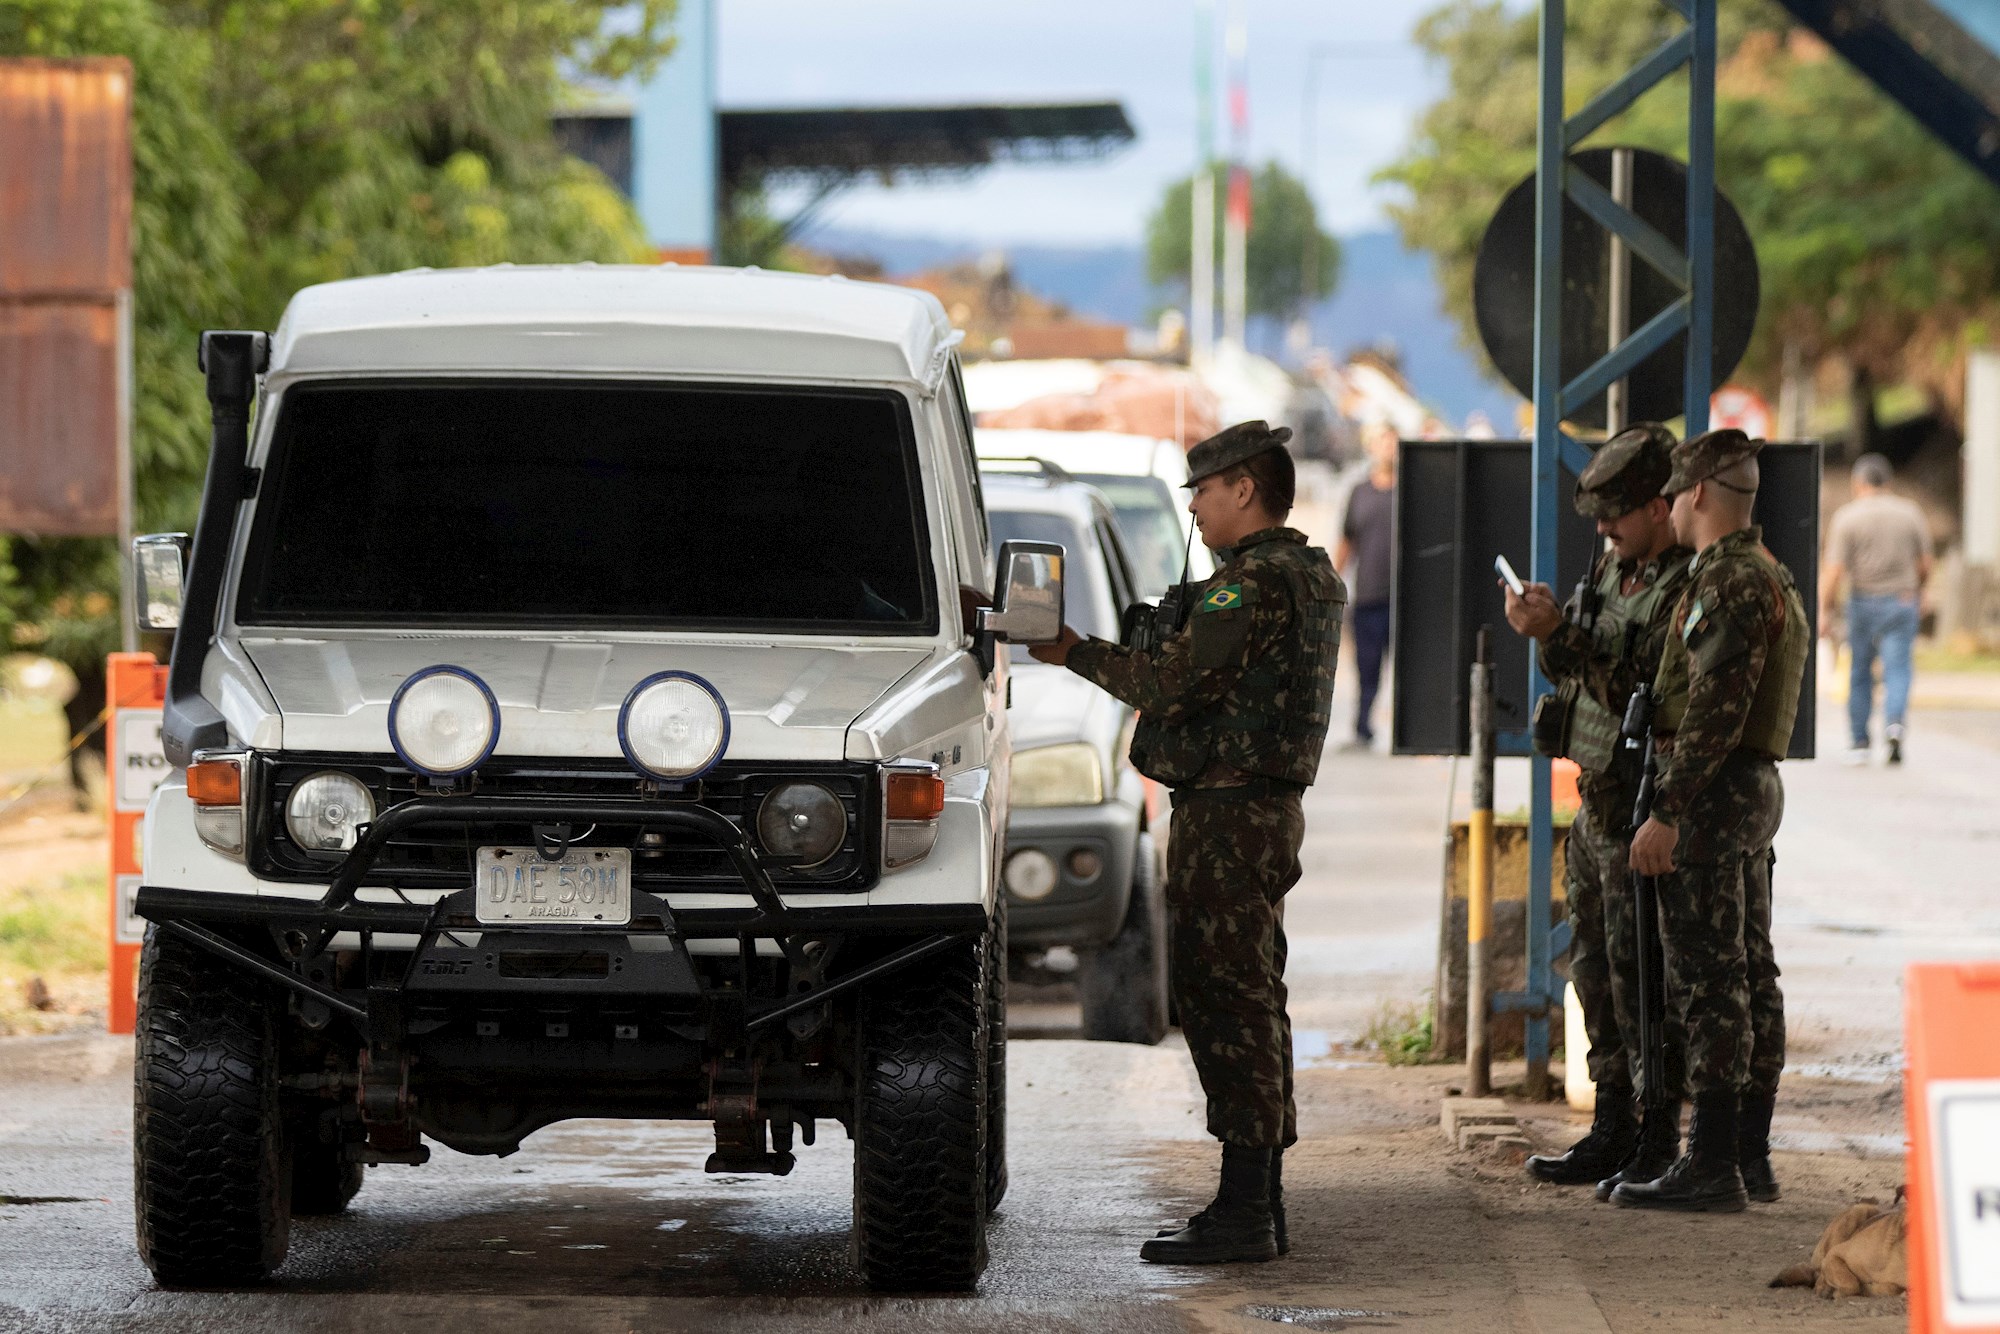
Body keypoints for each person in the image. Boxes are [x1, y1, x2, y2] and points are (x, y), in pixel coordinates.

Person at [1029, 420, 1345, 1264]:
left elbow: (1173, 684)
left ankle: (1247, 1212)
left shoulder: (1253, 585)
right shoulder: (1304, 576)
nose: (1197, 508)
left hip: (1230, 816)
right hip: (1257, 811)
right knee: (1249, 995)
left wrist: (1071, 651)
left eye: (1203, 491)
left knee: (1224, 1000)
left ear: (1244, 488)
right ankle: (1254, 1202)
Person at [1498, 423, 1693, 1193]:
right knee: (1596, 975)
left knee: (1646, 978)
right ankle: (1610, 1124)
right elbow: (1577, 670)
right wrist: (1544, 629)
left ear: (1660, 505)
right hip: (1595, 803)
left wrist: (1566, 634)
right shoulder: (1615, 570)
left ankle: (1655, 1132)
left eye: (1618, 514)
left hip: (1643, 803)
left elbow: (1645, 685)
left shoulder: (1683, 583)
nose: (1606, 530)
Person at [1618, 429, 1809, 1214]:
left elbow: (1713, 712)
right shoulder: (1766, 572)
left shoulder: (1728, 581)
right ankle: (1747, 1154)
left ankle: (1713, 1163)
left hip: (1712, 795)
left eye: (1672, 491)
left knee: (1709, 978)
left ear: (1697, 494)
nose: (1665, 505)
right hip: (1743, 791)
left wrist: (1668, 809)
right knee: (1747, 971)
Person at [1820, 453, 1932, 765]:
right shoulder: (1910, 513)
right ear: (1889, 482)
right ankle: (1894, 724)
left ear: (1858, 483)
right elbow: (1924, 564)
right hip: (1901, 601)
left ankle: (1859, 741)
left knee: (1859, 672)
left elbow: (1834, 571)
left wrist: (1824, 611)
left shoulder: (1847, 517)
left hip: (1861, 602)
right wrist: (1918, 589)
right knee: (1898, 668)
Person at [1334, 422, 1396, 748]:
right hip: (1369, 596)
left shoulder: (1409, 490)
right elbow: (1347, 541)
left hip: (1402, 599)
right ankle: (1362, 727)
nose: (1388, 449)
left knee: (1405, 669)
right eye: (1383, 442)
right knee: (1367, 667)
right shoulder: (1359, 492)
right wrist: (1329, 581)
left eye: (1393, 442)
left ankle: (1406, 731)